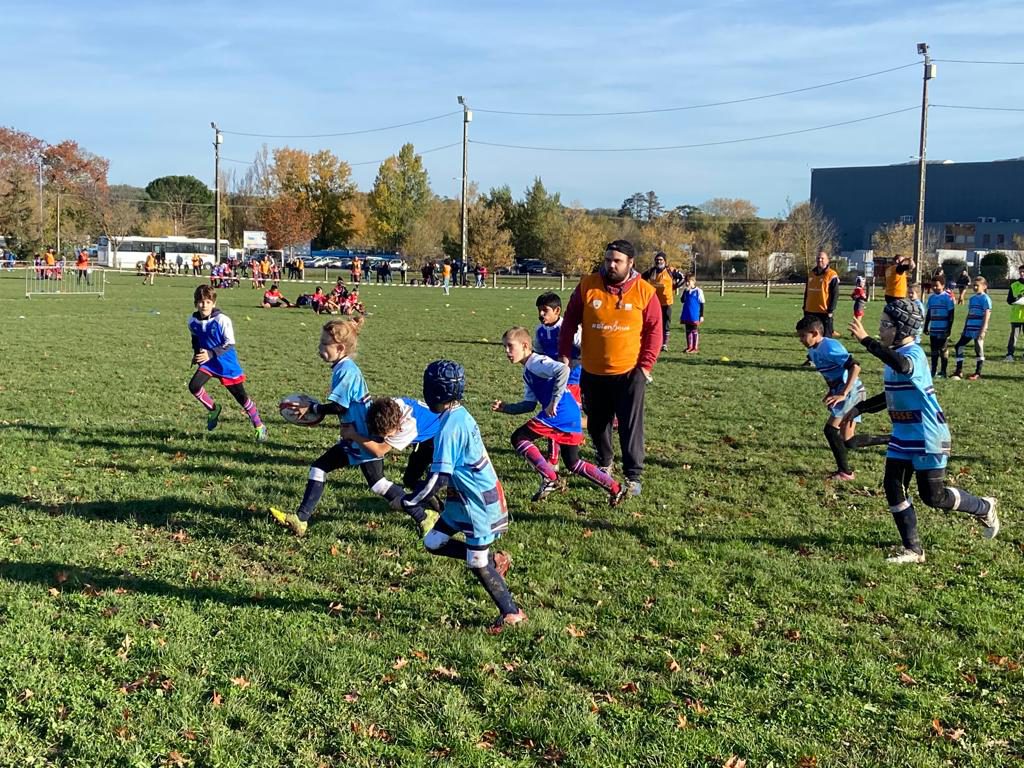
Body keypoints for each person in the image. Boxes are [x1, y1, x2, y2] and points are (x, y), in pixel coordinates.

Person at [843, 300, 999, 564]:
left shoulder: (912, 355)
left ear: (903, 328)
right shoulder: (893, 357)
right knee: (893, 487)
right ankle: (913, 550)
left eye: (886, 325)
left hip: (928, 434)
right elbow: (891, 394)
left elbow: (902, 366)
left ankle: (984, 507)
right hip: (903, 435)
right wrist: (860, 408)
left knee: (933, 497)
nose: (881, 329)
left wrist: (867, 341)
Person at [399, 360, 525, 634]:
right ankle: (494, 561)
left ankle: (511, 613)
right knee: (432, 542)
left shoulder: (449, 428)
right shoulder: (456, 414)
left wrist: (411, 499)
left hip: (479, 503)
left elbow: (438, 478)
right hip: (461, 502)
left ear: (434, 393)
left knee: (476, 562)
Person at [271, 318, 421, 536]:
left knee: (370, 482)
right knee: (337, 473)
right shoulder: (342, 368)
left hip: (362, 437)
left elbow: (339, 407)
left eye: (324, 344)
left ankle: (424, 516)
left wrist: (313, 408)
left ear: (340, 348)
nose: (319, 348)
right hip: (357, 436)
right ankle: (301, 519)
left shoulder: (346, 371)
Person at [559, 240, 662, 498]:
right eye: (608, 260)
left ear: (631, 264)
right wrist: (564, 355)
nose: (611, 265)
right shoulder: (587, 285)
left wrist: (645, 366)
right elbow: (569, 319)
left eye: (617, 261)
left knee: (630, 425)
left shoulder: (644, 291)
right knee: (596, 423)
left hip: (629, 373)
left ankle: (633, 475)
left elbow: (654, 331)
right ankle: (605, 461)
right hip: (592, 371)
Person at [493, 327, 626, 505]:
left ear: (525, 345)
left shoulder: (536, 362)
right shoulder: (528, 372)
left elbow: (563, 370)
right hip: (567, 413)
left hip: (560, 412)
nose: (507, 352)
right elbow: (529, 404)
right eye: (504, 347)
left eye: (510, 346)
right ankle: (615, 488)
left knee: (519, 438)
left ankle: (550, 478)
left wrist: (554, 401)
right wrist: (506, 408)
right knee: (573, 462)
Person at [187, 285, 267, 442]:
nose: (204, 305)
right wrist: (197, 353)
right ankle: (214, 409)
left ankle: (259, 425)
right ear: (196, 303)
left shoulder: (222, 320)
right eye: (201, 302)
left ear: (214, 303)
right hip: (208, 363)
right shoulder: (193, 321)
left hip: (225, 363)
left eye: (208, 302)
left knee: (241, 398)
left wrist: (210, 353)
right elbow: (195, 338)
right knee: (194, 386)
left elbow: (229, 342)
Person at [796, 315, 868, 481]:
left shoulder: (830, 346)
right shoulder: (813, 351)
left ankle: (845, 473)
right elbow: (830, 374)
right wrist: (832, 390)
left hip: (851, 392)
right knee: (848, 441)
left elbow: (855, 367)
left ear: (814, 333)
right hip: (844, 391)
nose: (800, 340)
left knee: (830, 430)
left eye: (802, 336)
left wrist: (842, 392)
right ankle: (893, 440)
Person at [801, 250, 839, 365]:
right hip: (810, 310)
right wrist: (804, 305)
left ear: (827, 260)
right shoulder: (811, 274)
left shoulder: (832, 275)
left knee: (826, 338)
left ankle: (828, 359)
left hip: (824, 311)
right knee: (810, 336)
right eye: (818, 258)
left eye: (822, 258)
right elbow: (807, 291)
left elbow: (835, 294)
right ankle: (812, 359)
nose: (820, 260)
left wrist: (831, 310)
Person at [642, 252, 685, 351]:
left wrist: (675, 286)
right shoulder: (651, 271)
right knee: (653, 323)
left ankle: (664, 344)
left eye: (661, 260)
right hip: (654, 302)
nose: (659, 261)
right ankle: (653, 342)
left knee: (666, 323)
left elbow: (682, 278)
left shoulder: (670, 270)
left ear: (665, 261)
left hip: (667, 301)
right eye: (657, 260)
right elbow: (641, 279)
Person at [951, 276, 992, 380]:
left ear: (984, 286)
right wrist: (965, 328)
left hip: (978, 329)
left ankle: (978, 373)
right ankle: (959, 370)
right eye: (974, 285)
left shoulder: (985, 298)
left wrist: (983, 330)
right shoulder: (972, 299)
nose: (975, 287)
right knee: (958, 346)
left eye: (977, 285)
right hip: (969, 328)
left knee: (978, 349)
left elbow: (987, 315)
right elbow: (969, 314)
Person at [924, 275, 955, 377]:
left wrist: (948, 328)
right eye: (933, 286)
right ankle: (933, 370)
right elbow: (929, 313)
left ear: (943, 285)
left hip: (943, 329)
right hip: (934, 328)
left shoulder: (947, 298)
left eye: (937, 285)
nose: (934, 287)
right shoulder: (931, 298)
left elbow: (951, 314)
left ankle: (943, 371)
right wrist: (926, 326)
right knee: (933, 350)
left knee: (943, 350)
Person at [679, 274, 705, 354]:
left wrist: (701, 315)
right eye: (686, 282)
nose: (687, 283)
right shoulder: (686, 291)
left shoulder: (698, 291)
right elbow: (682, 300)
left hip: (694, 314)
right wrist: (685, 291)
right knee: (687, 330)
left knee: (694, 330)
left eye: (689, 281)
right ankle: (689, 347)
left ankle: (695, 348)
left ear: (693, 281)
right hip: (687, 313)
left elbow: (702, 303)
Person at [1003, 264, 1024, 362]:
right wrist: (1017, 299)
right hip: (1016, 315)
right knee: (1013, 337)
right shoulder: (1014, 285)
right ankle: (1010, 355)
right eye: (1020, 272)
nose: (1022, 274)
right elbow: (1009, 300)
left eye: (1023, 272)